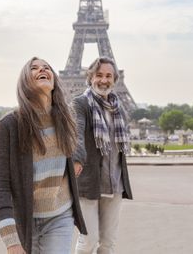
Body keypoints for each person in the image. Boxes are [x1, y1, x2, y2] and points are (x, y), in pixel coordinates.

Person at [0, 57, 87, 254]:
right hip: (26, 218)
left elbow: (78, 142)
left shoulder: (66, 118)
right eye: (34, 68)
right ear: (25, 82)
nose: (42, 70)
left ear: (53, 79)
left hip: (60, 215)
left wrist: (79, 158)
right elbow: (1, 184)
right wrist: (11, 240)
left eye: (46, 67)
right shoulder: (10, 125)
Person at [72, 57, 133, 254]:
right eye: (99, 75)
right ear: (90, 77)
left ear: (115, 79)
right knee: (89, 242)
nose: (104, 80)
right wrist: (77, 158)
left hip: (114, 183)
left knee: (107, 244)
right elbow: (77, 134)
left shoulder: (118, 107)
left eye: (108, 76)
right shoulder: (80, 104)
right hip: (89, 182)